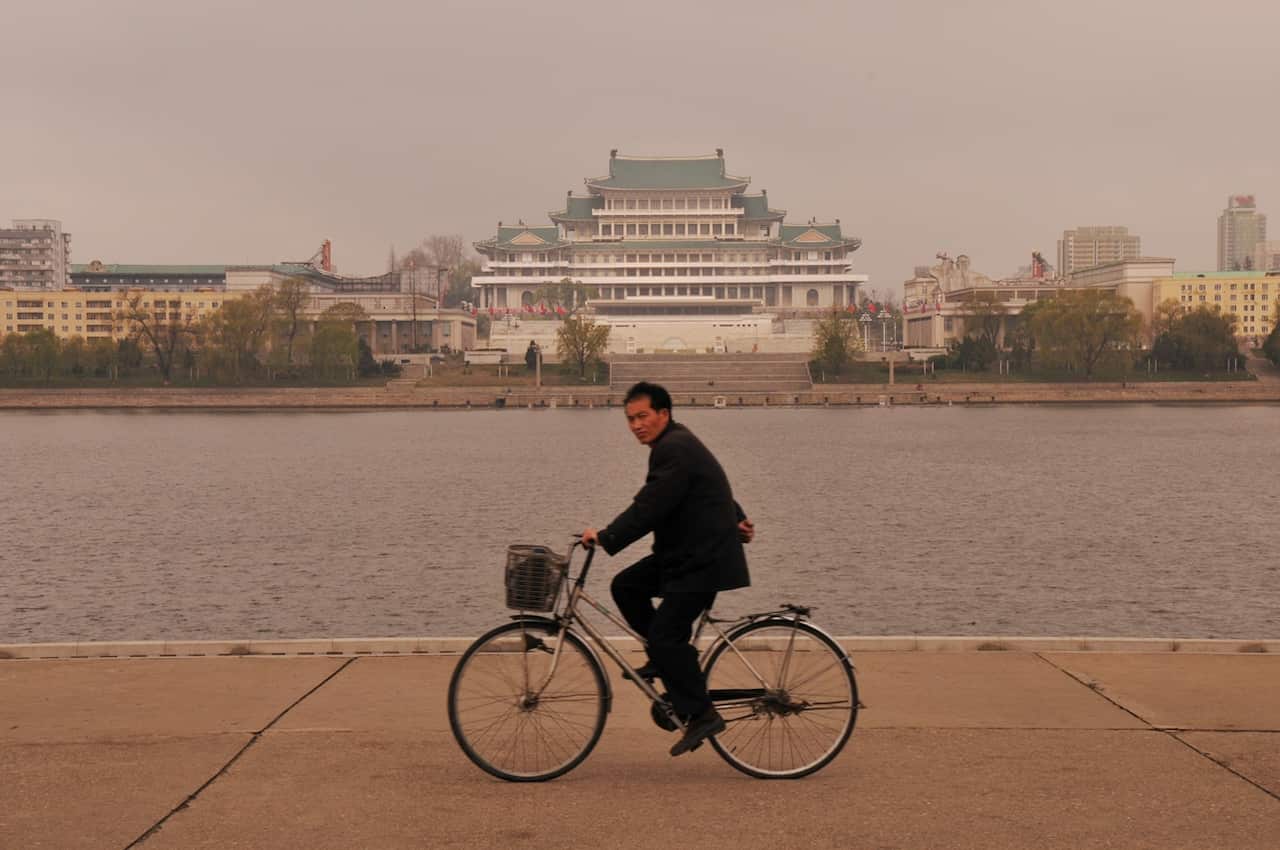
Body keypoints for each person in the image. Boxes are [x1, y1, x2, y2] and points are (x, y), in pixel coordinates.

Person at [582, 381, 755, 757]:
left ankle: (702, 714)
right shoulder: (675, 444)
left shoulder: (674, 448)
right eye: (630, 419)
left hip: (702, 562)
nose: (636, 425)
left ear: (664, 413)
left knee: (665, 636)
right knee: (626, 586)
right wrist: (737, 517)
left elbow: (650, 507)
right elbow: (708, 483)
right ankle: (665, 661)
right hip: (683, 555)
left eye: (643, 416)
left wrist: (607, 536)